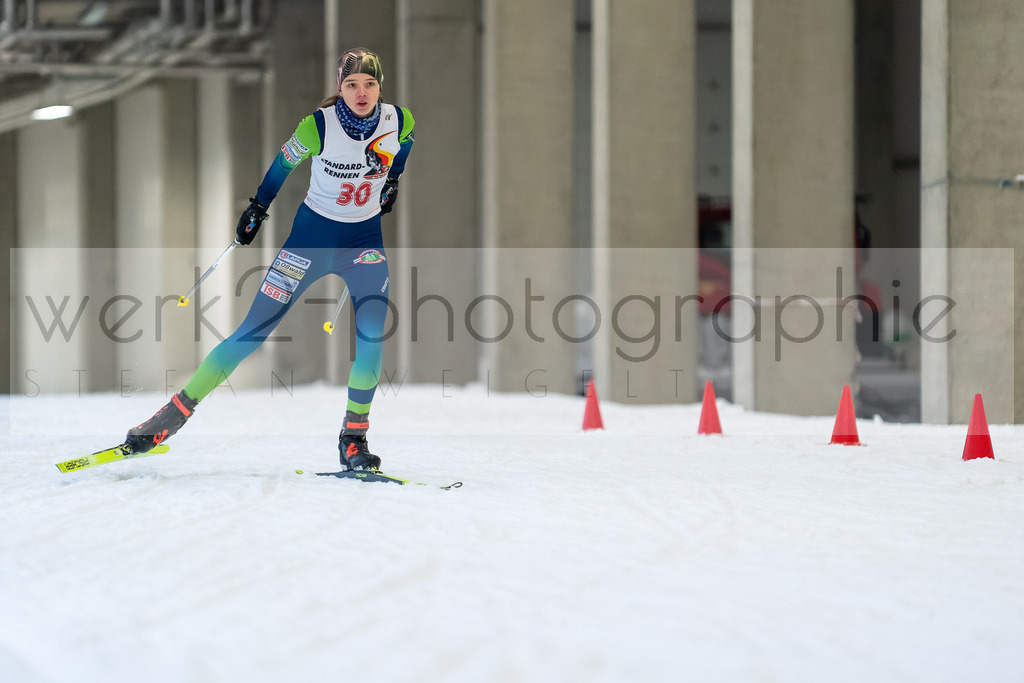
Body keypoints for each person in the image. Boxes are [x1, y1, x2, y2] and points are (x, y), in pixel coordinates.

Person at [121, 48, 414, 471]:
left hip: (364, 243)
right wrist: (256, 208)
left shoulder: (398, 119)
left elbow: (405, 143)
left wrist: (394, 180)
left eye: (369, 84)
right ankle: (169, 418)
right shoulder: (318, 126)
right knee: (252, 332)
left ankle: (353, 439)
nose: (361, 92)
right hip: (308, 243)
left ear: (379, 87)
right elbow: (280, 167)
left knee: (371, 340)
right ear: (340, 88)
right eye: (352, 85)